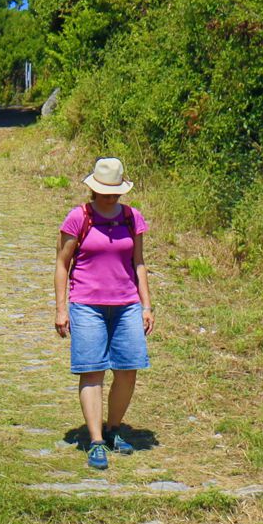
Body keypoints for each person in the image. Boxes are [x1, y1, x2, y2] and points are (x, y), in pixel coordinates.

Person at [54, 156, 154, 471]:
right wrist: (61, 308)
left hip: (126, 305)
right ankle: (96, 440)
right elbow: (61, 264)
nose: (110, 197)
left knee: (128, 369)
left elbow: (139, 262)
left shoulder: (131, 217)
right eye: (104, 192)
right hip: (86, 305)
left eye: (115, 192)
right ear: (94, 190)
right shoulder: (77, 218)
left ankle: (113, 429)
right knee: (92, 370)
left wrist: (146, 305)